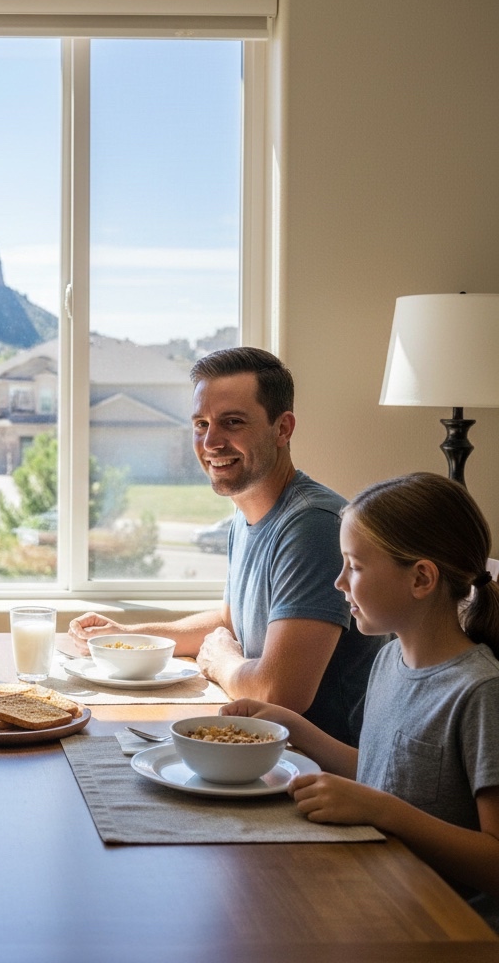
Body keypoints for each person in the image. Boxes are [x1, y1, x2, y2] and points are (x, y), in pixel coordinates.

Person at [222, 472, 499, 929]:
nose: (338, 583)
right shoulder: (389, 660)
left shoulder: (479, 693)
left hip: (443, 925)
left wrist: (381, 810)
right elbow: (382, 769)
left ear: (421, 578)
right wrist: (293, 728)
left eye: (354, 566)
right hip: (379, 889)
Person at [70, 347, 386, 745]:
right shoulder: (248, 511)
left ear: (283, 428)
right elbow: (230, 622)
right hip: (261, 748)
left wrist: (223, 663)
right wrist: (130, 635)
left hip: (317, 768)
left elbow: (280, 693)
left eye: (232, 422)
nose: (210, 442)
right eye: (200, 424)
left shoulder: (313, 526)